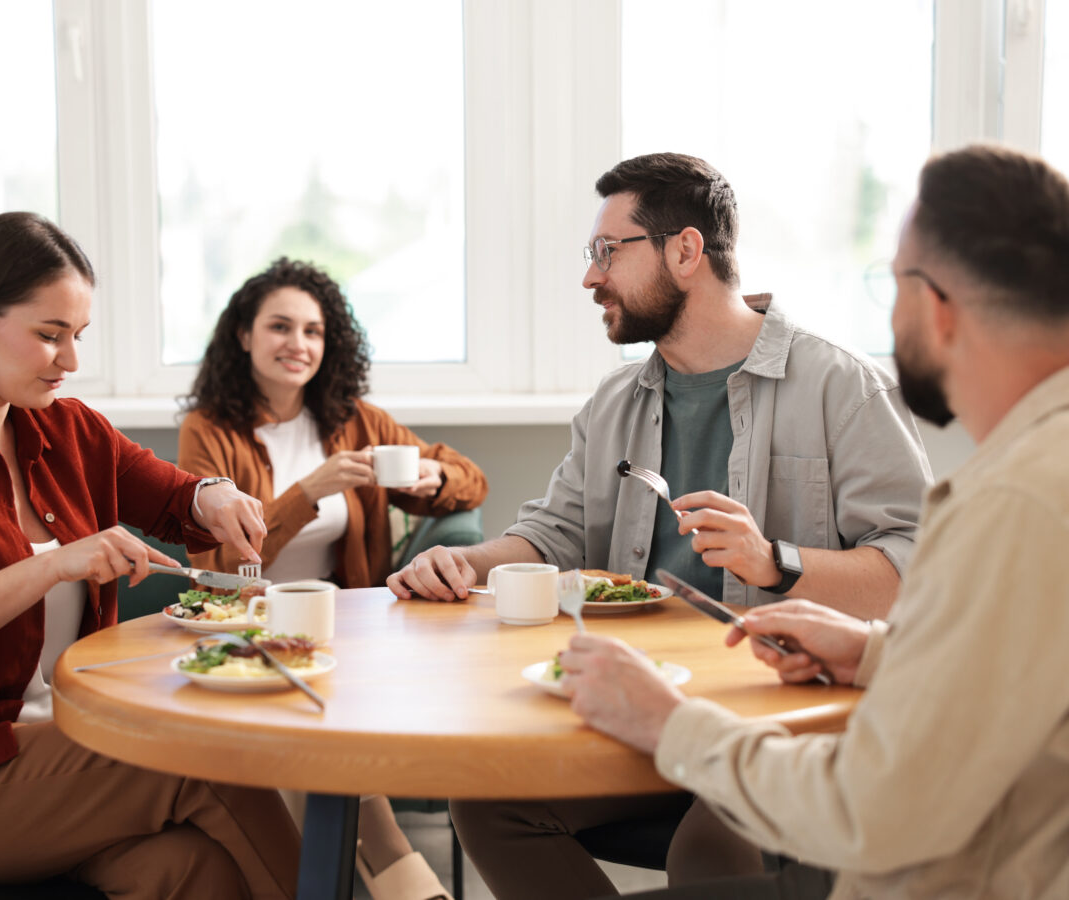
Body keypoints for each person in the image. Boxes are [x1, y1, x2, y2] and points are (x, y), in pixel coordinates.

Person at [388, 152, 932, 896]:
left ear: (685, 250)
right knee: (488, 802)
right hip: (644, 705)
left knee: (712, 848)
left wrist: (775, 560)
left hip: (785, 722)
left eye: (608, 252)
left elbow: (916, 577)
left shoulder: (844, 387)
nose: (591, 277)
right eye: (592, 254)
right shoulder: (613, 403)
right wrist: (463, 565)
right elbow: (554, 532)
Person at [561, 143, 1069, 899]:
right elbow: (1010, 675)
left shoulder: (1016, 503)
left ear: (934, 304)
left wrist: (670, 723)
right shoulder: (1036, 470)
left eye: (890, 283)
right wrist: (871, 650)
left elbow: (878, 805)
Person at [0, 212, 300, 898]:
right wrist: (55, 562)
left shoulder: (66, 430)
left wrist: (215, 497)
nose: (70, 361)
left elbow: (175, 498)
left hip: (55, 752)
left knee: (198, 871)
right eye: (49, 336)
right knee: (199, 758)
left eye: (77, 336)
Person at [177, 256, 488, 900]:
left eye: (313, 331)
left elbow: (470, 478)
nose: (299, 344)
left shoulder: (352, 419)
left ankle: (334, 878)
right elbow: (215, 566)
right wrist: (307, 491)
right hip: (245, 624)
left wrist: (435, 482)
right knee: (305, 723)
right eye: (281, 327)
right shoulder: (208, 430)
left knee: (304, 719)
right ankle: (405, 880)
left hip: (343, 625)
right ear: (244, 335)